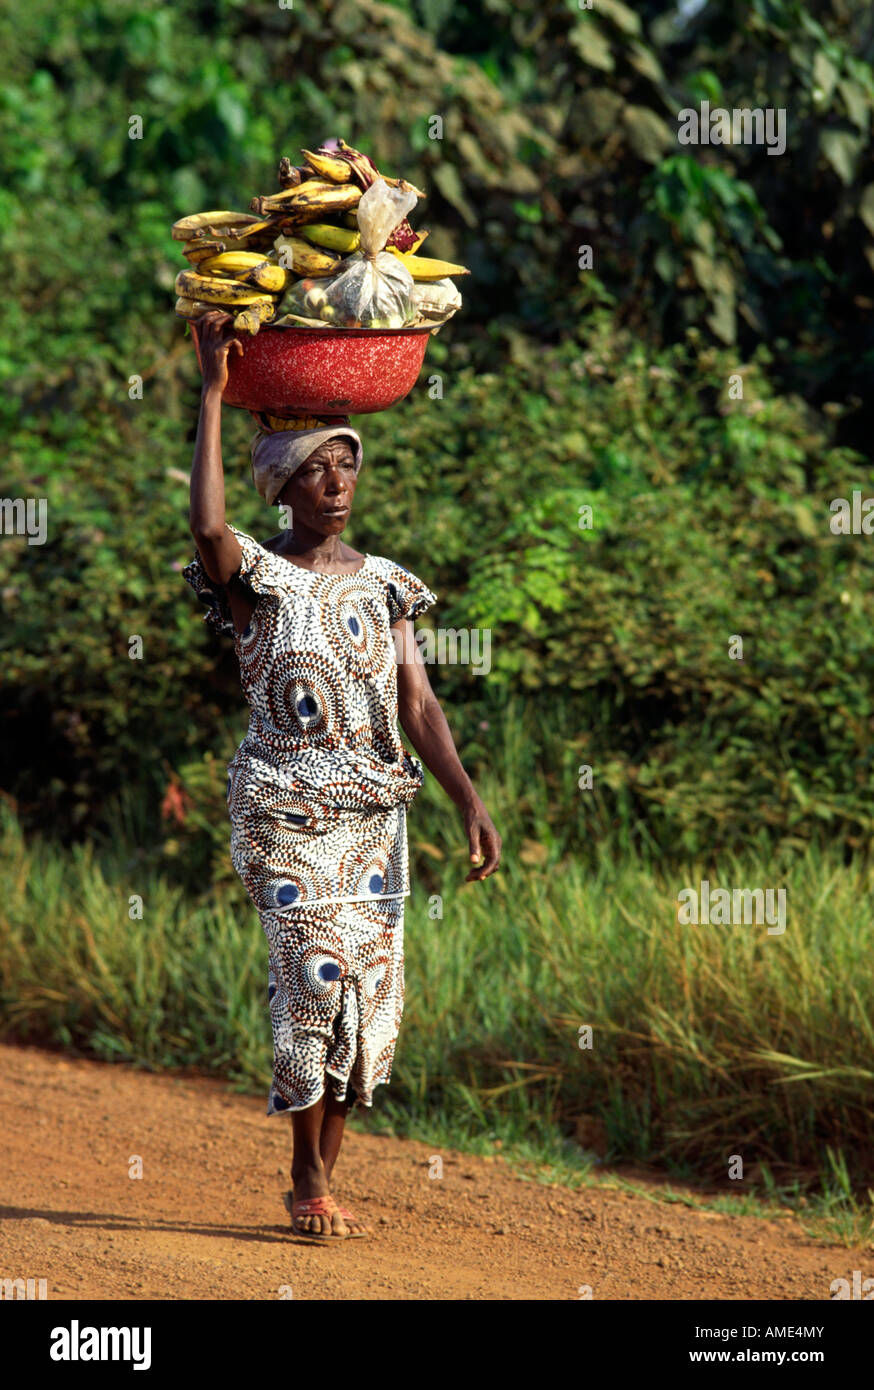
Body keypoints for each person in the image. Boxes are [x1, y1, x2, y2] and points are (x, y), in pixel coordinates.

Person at [183, 312, 502, 1240]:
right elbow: (207, 525)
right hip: (283, 804)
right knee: (315, 979)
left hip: (373, 812)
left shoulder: (387, 585)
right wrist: (211, 390)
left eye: (349, 465)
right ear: (282, 484)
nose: (338, 483)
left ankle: (318, 1172)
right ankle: (307, 1177)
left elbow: (422, 707)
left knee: (369, 993)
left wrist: (470, 801)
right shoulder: (255, 581)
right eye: (318, 468)